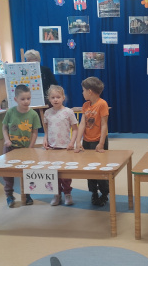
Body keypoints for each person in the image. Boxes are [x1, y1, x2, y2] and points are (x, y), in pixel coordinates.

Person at [2, 84, 41, 208]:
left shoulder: (33, 114)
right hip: (10, 148)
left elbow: (34, 132)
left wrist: (30, 147)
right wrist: (7, 140)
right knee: (8, 173)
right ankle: (9, 195)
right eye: (23, 99)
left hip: (25, 149)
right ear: (16, 99)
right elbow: (4, 127)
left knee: (27, 172)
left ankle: (27, 195)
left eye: (28, 98)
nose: (26, 101)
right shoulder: (10, 112)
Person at [75, 77, 110, 206]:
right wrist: (78, 141)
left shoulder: (102, 104)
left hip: (98, 141)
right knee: (89, 169)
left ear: (89, 91)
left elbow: (104, 125)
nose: (82, 93)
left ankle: (104, 193)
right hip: (87, 141)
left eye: (83, 90)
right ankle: (94, 192)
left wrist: (101, 143)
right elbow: (82, 124)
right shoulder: (85, 105)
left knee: (100, 168)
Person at [43, 85, 79, 206]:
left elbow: (75, 129)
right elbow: (47, 130)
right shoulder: (47, 113)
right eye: (53, 97)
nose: (55, 99)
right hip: (52, 149)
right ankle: (56, 194)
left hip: (65, 148)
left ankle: (67, 193)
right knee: (53, 172)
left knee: (65, 173)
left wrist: (72, 142)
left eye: (58, 97)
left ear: (63, 98)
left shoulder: (68, 112)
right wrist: (45, 139)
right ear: (49, 99)